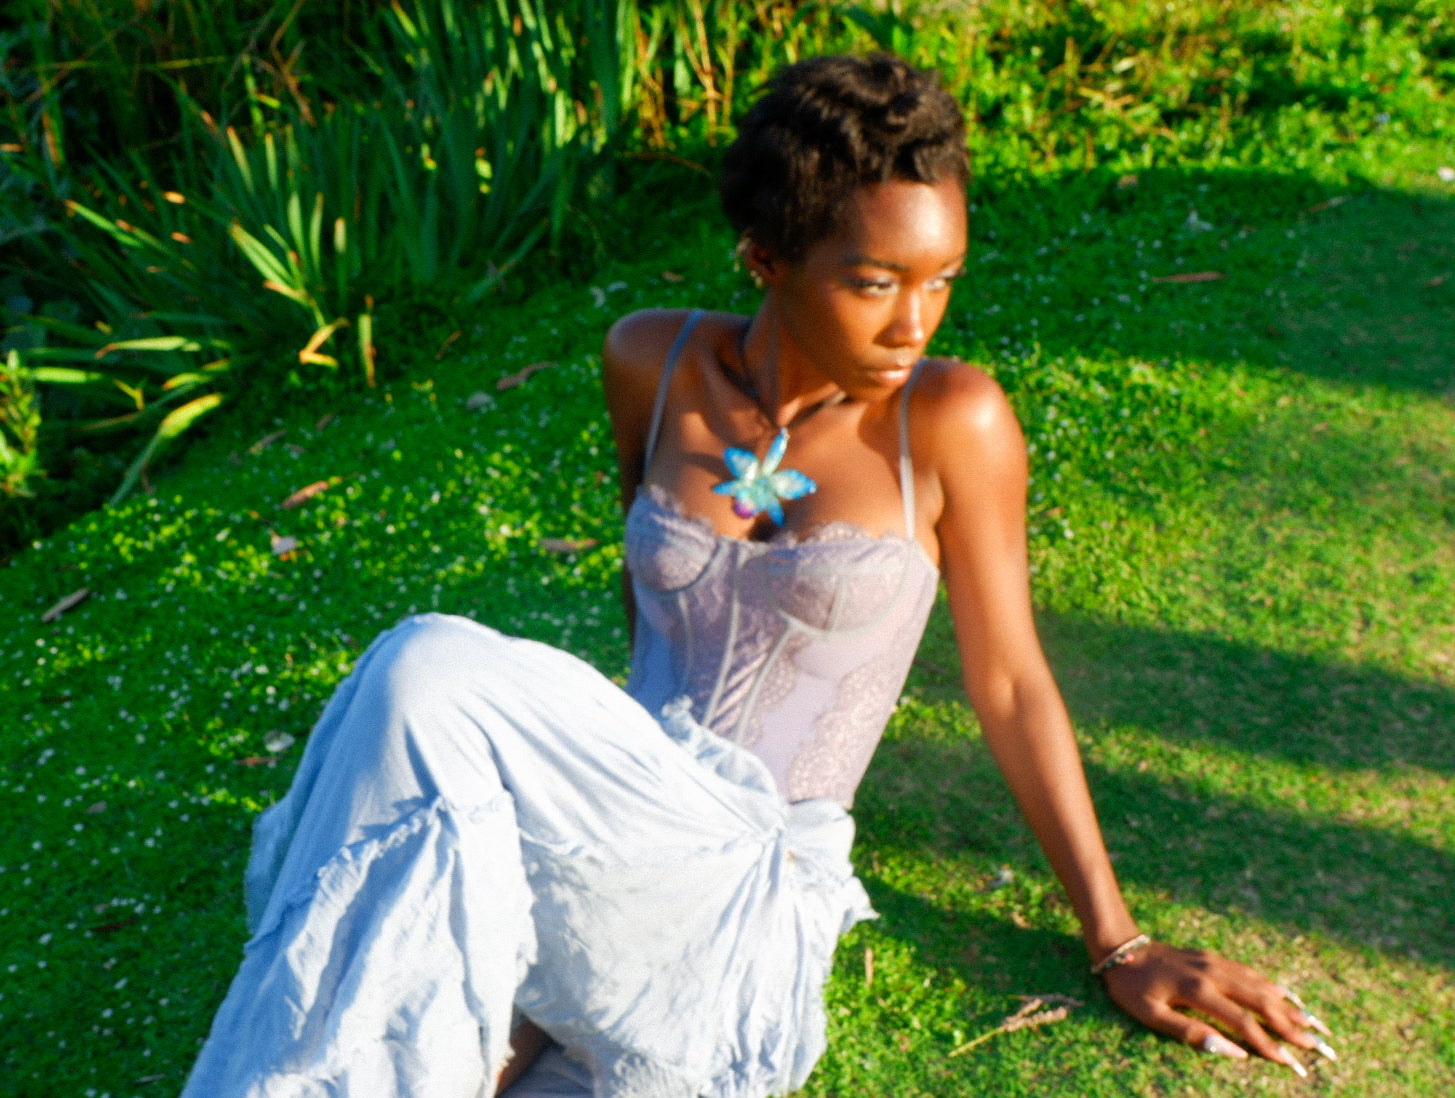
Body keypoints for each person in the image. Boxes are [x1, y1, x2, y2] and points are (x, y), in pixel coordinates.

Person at [182, 54, 1336, 1098]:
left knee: (425, 665)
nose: (915, 322)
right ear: (765, 258)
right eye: (877, 281)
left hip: (753, 870)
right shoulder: (650, 357)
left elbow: (1014, 684)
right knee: (436, 902)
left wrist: (1118, 942)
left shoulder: (954, 420)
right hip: (619, 814)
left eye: (942, 280)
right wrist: (571, 809)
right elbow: (649, 593)